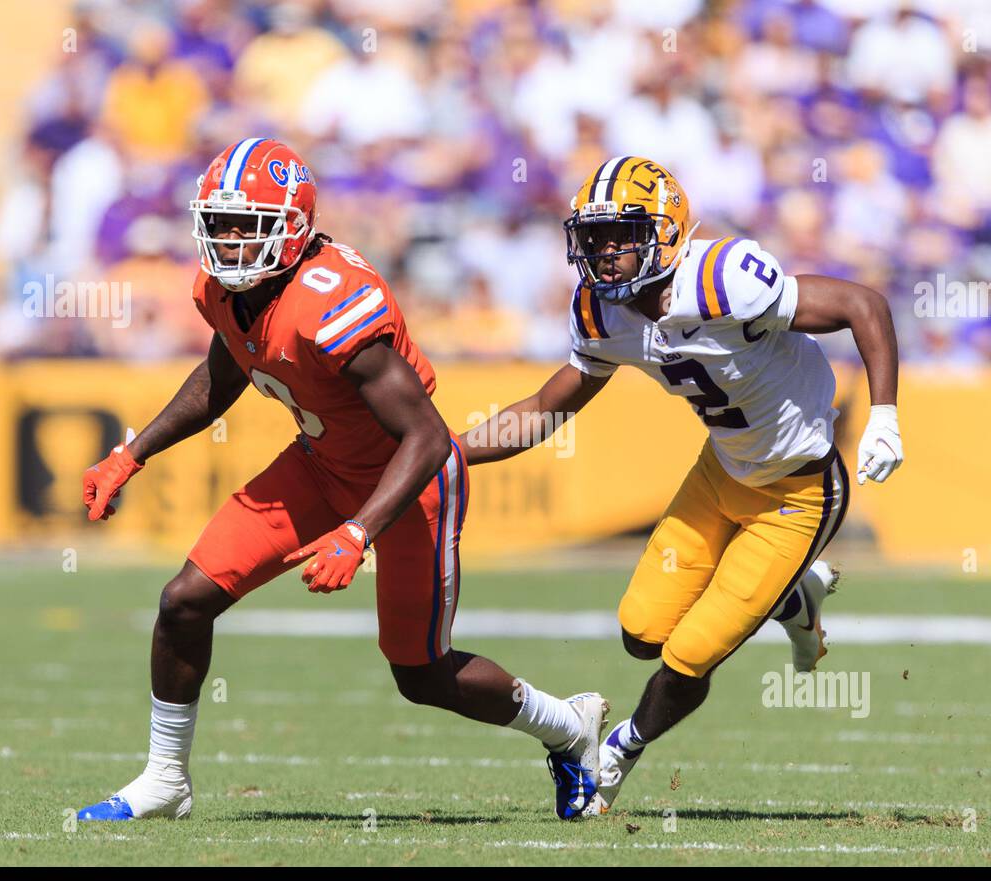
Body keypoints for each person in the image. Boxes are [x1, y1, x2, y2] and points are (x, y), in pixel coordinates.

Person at [76, 139, 607, 823]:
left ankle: (566, 726)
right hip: (322, 467)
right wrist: (133, 451)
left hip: (410, 484)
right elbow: (225, 370)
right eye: (221, 222)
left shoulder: (331, 304)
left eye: (248, 225)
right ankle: (165, 780)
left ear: (292, 228)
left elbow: (428, 437)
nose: (231, 240)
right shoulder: (224, 287)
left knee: (420, 674)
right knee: (184, 601)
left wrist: (359, 532)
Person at [464, 156, 904, 814]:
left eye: (621, 237)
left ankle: (618, 752)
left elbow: (861, 303)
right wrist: (448, 452)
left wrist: (886, 415)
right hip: (719, 471)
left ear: (665, 231)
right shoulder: (601, 313)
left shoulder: (724, 279)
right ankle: (794, 599)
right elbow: (545, 408)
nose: (605, 254)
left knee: (690, 654)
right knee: (641, 632)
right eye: (593, 238)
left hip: (798, 493)